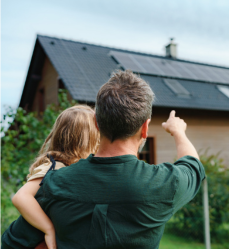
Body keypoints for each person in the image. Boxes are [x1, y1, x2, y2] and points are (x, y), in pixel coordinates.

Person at [2, 71, 205, 249]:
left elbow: (11, 243)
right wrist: (178, 132)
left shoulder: (54, 182)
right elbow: (192, 164)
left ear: (97, 124)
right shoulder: (166, 184)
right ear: (145, 128)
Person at [7, 105, 100, 249]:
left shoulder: (69, 168)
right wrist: (48, 229)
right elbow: (21, 197)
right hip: (20, 243)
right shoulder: (54, 167)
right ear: (86, 141)